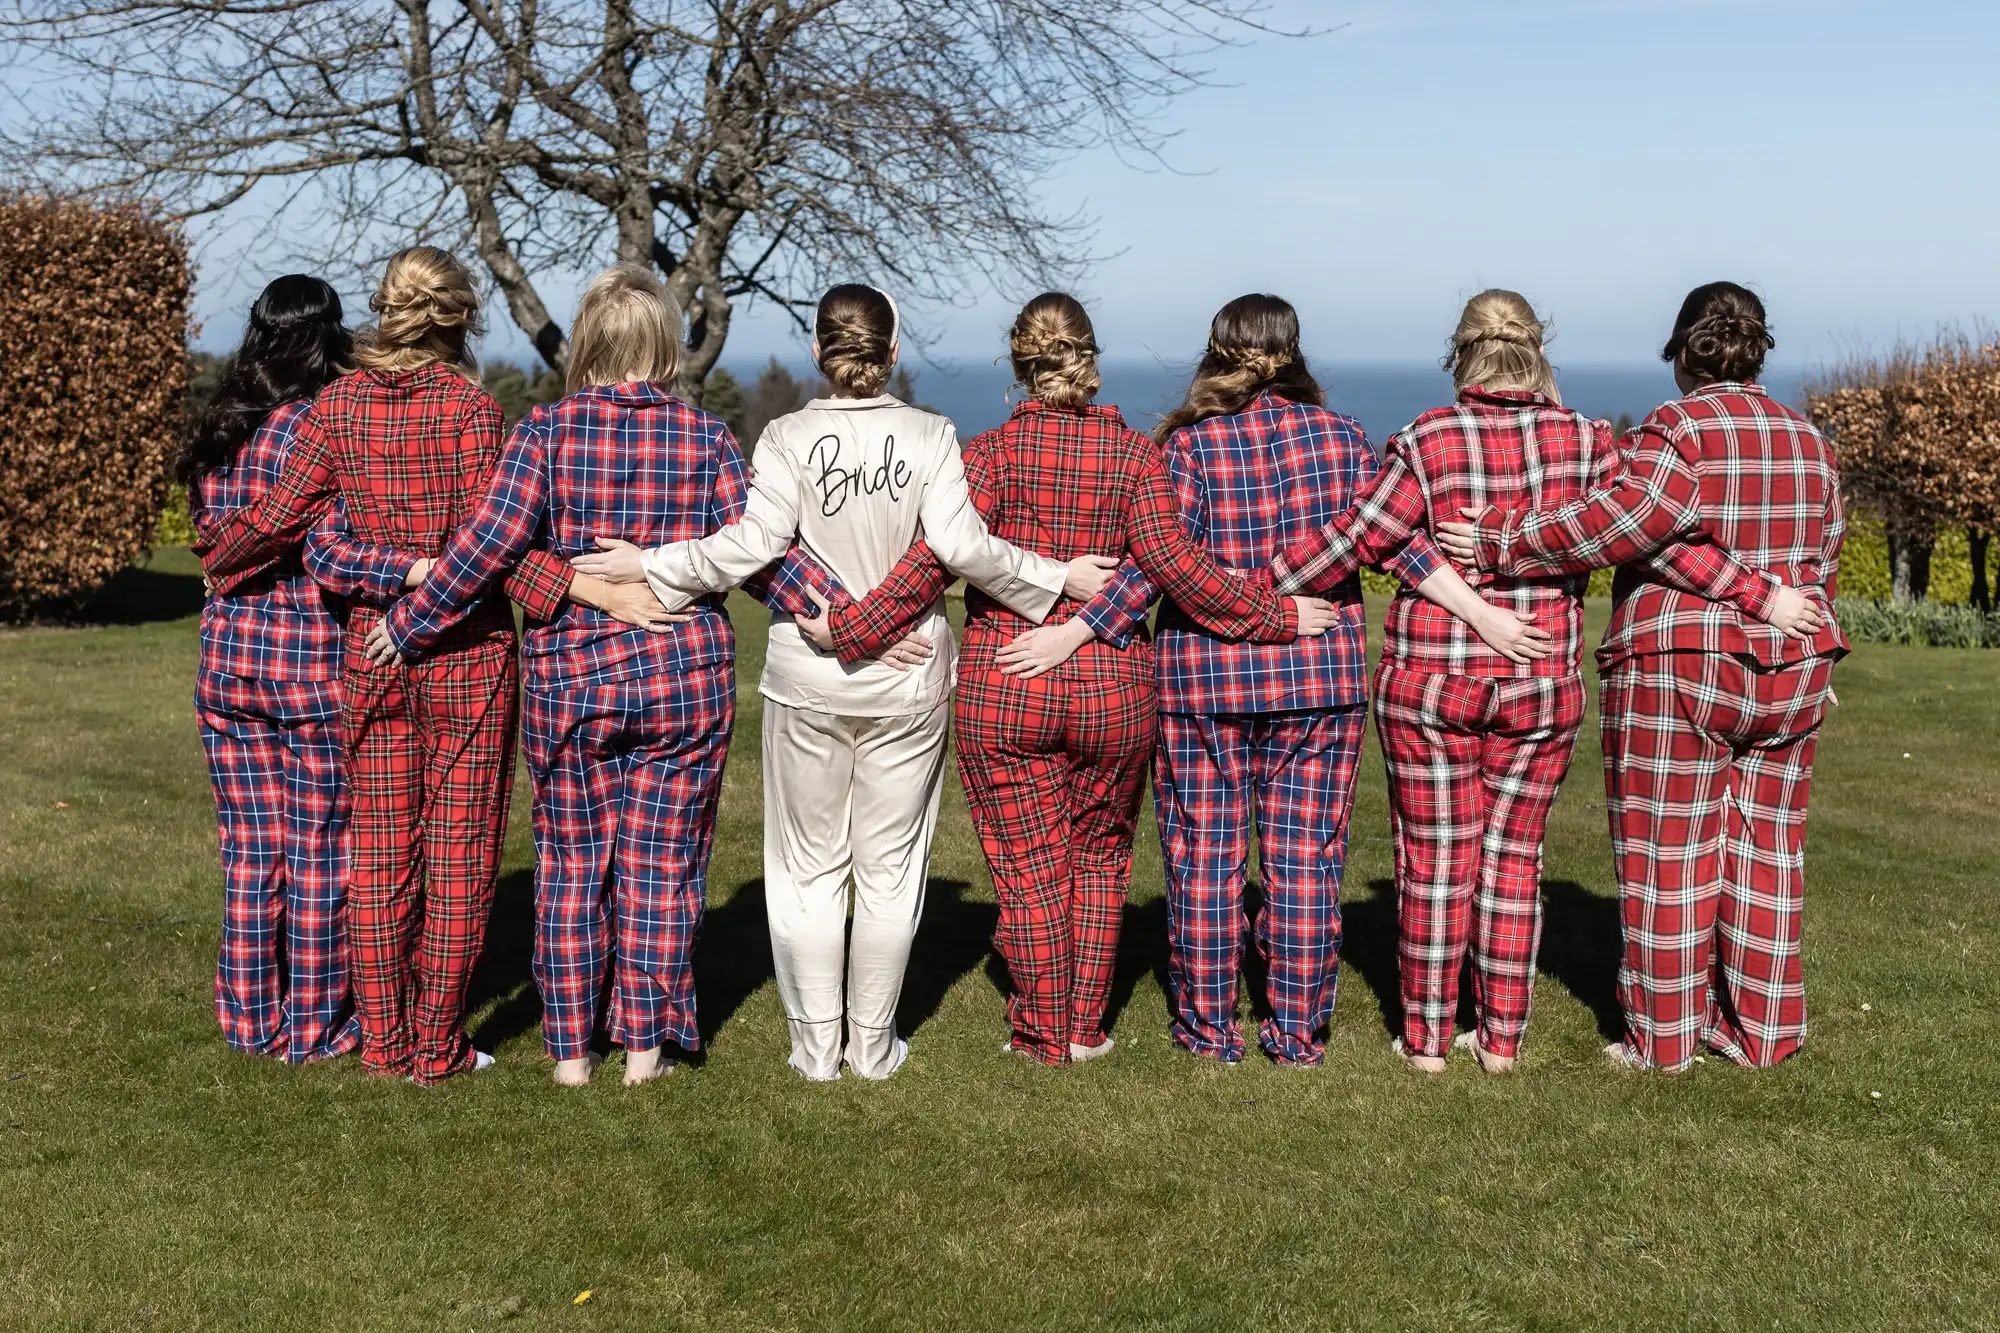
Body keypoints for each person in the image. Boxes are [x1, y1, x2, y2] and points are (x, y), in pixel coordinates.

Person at [573, 283, 1127, 1081]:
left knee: (805, 869)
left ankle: (815, 1049)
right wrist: (1057, 577)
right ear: (892, 352)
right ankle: (872, 1046)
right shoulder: (931, 434)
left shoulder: (785, 437)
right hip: (908, 682)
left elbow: (746, 547)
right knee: (892, 871)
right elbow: (965, 549)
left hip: (810, 677)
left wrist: (652, 563)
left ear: (819, 354)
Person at [794, 293, 1343, 1066]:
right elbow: (1176, 566)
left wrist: (851, 629)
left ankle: (1041, 1029)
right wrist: (1277, 616)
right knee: (1098, 854)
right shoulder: (1135, 457)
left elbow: (933, 563)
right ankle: (1083, 1026)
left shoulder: (985, 456)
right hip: (1114, 688)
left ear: (1017, 365)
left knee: (1029, 867)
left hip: (1008, 679)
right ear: (1090, 360)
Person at [994, 294, 1541, 1066]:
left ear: (1218, 352)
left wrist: (1076, 631)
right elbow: (1399, 546)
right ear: (1295, 350)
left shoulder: (1185, 448)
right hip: (1319, 681)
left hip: (1202, 684)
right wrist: (1481, 611)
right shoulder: (1346, 440)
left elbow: (1155, 564)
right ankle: (1295, 1034)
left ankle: (1209, 1031)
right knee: (1307, 863)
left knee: (1205, 860)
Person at [360, 264, 864, 1086]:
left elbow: (488, 548)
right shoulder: (704, 438)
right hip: (682, 679)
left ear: (588, 341)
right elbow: (765, 556)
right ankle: (642, 1051)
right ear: (664, 345)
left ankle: (569, 1056)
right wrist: (855, 618)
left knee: (569, 869)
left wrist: (406, 625)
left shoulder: (544, 434)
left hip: (573, 682)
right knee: (664, 873)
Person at [198, 247, 660, 1083]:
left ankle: (382, 1044)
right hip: (469, 661)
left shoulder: (334, 409)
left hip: (371, 655)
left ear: (387, 308)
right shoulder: (477, 415)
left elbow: (307, 539)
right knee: (458, 861)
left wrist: (224, 554)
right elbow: (500, 550)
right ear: (460, 318)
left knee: (377, 856)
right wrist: (589, 590)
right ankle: (436, 1045)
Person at [1433, 282, 1846, 1073]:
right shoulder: (1810, 439)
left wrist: (1498, 540)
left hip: (1683, 665)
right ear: (1759, 350)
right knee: (1769, 852)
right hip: (1793, 670)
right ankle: (1763, 1034)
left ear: (1683, 351)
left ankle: (1664, 1040)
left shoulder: (1678, 427)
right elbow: (1821, 555)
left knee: (1669, 851)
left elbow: (1619, 526)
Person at [183, 275, 403, 1063]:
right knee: (319, 849)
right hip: (309, 668)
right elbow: (333, 554)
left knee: (249, 850)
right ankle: (312, 1023)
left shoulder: (222, 425)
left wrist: (226, 563)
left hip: (227, 666)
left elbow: (211, 537)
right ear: (330, 334)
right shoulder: (324, 426)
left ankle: (248, 1021)